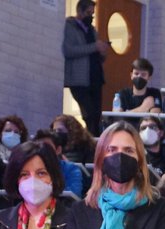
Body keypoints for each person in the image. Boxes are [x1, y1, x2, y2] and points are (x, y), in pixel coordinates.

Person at [63, 0, 107, 135]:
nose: (91, 16)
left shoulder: (92, 30)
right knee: (88, 114)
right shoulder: (69, 27)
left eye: (92, 13)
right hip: (79, 79)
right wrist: (95, 47)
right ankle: (88, 142)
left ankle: (95, 142)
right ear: (79, 12)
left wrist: (103, 52)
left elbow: (97, 55)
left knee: (97, 115)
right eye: (88, 13)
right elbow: (69, 50)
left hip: (95, 77)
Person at [32, 129, 85, 199]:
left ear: (58, 150)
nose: (43, 150)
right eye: (38, 146)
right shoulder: (29, 168)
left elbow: (74, 193)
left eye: (47, 146)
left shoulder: (71, 169)